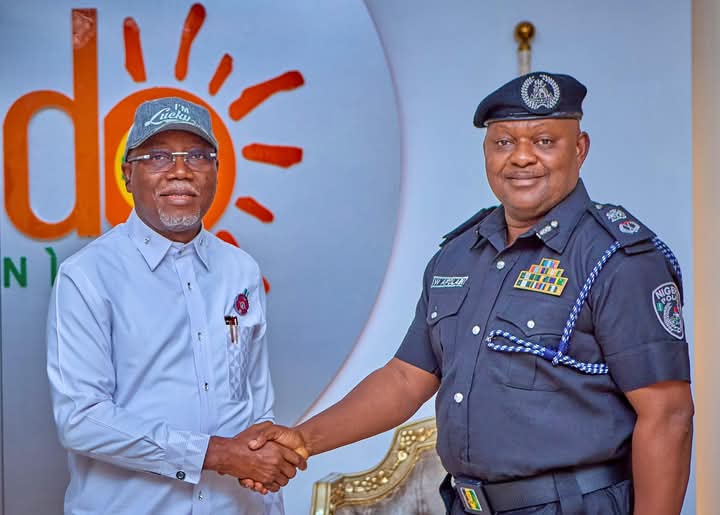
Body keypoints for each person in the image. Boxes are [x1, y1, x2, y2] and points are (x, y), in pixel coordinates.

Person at [245, 72, 694, 515]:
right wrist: (302, 440)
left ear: (579, 149)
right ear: (486, 152)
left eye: (544, 141)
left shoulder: (618, 259)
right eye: (504, 143)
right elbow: (404, 380)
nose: (521, 158)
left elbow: (668, 415)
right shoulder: (459, 254)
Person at [46, 97, 305, 515]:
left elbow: (257, 407)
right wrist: (215, 454)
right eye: (158, 156)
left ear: (216, 172)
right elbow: (81, 419)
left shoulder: (240, 270)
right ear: (128, 174)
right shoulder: (88, 275)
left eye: (198, 156)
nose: (180, 170)